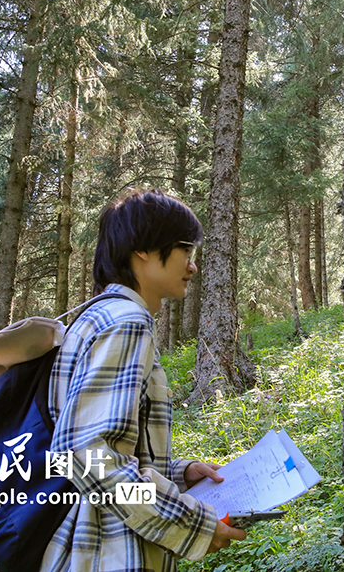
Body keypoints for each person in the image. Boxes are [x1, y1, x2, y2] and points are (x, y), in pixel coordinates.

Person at [41, 189, 245, 571]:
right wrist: (192, 526)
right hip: (108, 552)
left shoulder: (96, 318)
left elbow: (105, 444)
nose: (192, 265)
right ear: (144, 251)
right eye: (186, 249)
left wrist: (178, 473)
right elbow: (85, 453)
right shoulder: (126, 323)